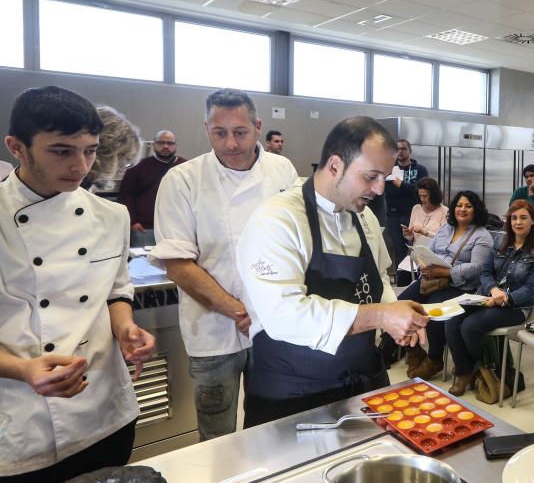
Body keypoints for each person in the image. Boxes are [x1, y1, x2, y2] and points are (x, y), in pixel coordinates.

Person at [0, 87, 156, 483]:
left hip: (104, 413)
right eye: (61, 151)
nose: (81, 166)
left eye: (89, 150)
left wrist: (125, 328)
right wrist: (23, 370)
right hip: (20, 425)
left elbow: (116, 289)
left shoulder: (111, 216)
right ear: (17, 147)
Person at [236, 117, 429, 426]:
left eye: (384, 177)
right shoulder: (278, 220)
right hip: (293, 394)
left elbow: (378, 280)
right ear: (336, 166)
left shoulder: (363, 218)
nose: (380, 189)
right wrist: (380, 315)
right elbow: (284, 314)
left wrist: (396, 315)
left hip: (364, 383)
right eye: (371, 176)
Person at [149, 88, 298, 440]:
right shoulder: (183, 180)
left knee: (275, 424)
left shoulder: (283, 170)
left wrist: (267, 312)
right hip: (213, 332)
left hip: (274, 327)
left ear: (258, 126)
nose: (231, 143)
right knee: (217, 435)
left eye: (240, 132)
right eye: (220, 133)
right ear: (206, 129)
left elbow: (296, 242)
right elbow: (177, 264)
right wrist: (238, 311)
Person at [445, 200, 534, 396]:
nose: (518, 222)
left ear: (533, 221)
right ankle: (467, 370)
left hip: (516, 307)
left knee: (470, 326)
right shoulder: (501, 243)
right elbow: (485, 272)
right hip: (486, 297)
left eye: (523, 218)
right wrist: (493, 290)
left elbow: (530, 288)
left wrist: (504, 299)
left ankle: (471, 369)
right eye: (514, 218)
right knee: (452, 321)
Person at [401, 190, 493, 381]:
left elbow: (479, 267)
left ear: (476, 210)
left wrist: (448, 272)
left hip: (460, 285)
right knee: (401, 303)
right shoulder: (445, 229)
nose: (463, 209)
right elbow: (427, 250)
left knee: (434, 311)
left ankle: (434, 359)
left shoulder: (482, 236)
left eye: (468, 206)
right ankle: (413, 349)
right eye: (459, 205)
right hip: (431, 280)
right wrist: (423, 264)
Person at [117, 129, 185, 240]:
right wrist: (132, 221)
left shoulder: (185, 167)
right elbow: (126, 197)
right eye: (161, 143)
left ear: (175, 145)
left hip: (176, 228)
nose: (166, 146)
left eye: (170, 143)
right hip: (144, 228)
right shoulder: (137, 167)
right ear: (154, 145)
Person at [384, 139, 429, 267]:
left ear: (410, 151)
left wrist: (402, 185)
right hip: (393, 216)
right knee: (399, 250)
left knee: (418, 249)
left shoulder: (420, 170)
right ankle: (402, 279)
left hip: (414, 215)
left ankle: (418, 278)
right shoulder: (389, 170)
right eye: (397, 149)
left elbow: (422, 191)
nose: (400, 152)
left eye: (403, 149)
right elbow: (386, 191)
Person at [398, 177, 448, 285]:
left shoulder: (444, 212)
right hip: (418, 255)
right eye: (420, 196)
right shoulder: (416, 209)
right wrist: (408, 234)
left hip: (437, 256)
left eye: (425, 196)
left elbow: (445, 240)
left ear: (433, 195)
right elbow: (411, 237)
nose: (422, 199)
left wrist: (425, 232)